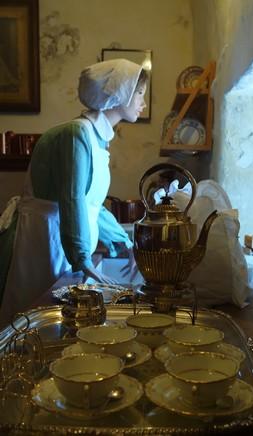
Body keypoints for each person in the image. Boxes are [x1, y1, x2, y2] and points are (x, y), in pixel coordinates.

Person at [0, 58, 147, 326]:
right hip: (42, 245)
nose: (143, 102)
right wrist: (82, 258)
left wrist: (126, 244)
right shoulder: (76, 134)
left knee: (55, 324)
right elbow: (73, 199)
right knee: (31, 324)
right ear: (117, 93)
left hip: (61, 245)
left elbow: (93, 205)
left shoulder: (96, 138)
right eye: (138, 93)